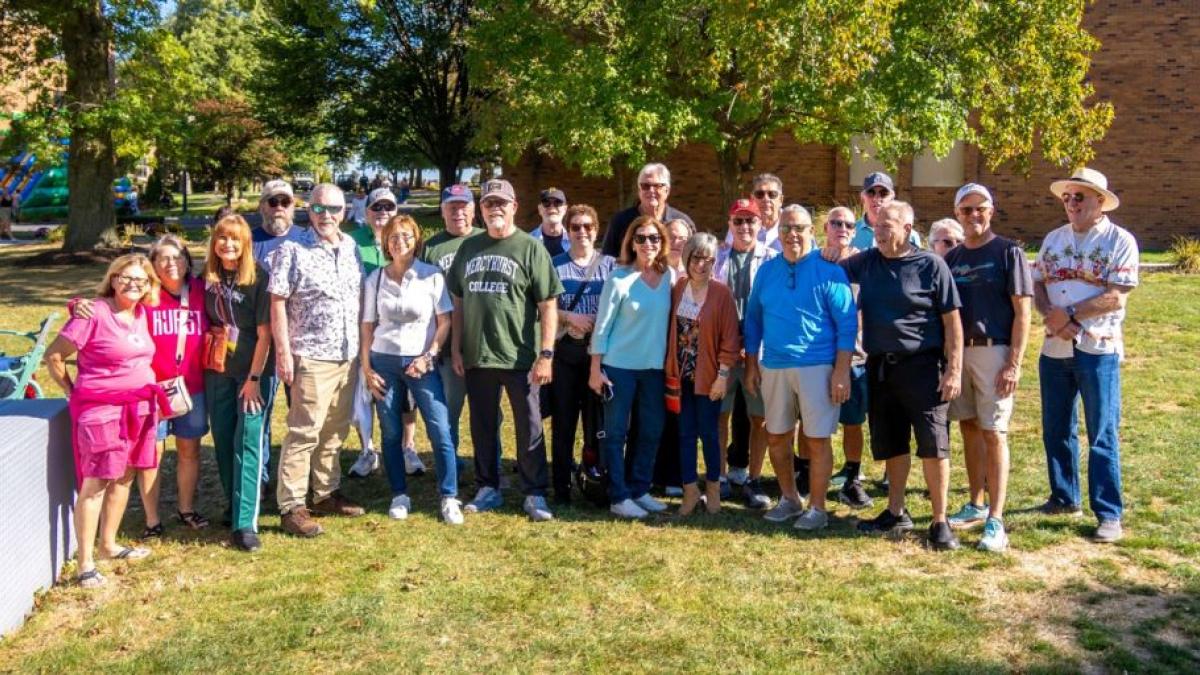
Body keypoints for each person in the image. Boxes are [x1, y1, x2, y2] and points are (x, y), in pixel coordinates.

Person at [68, 235, 210, 537]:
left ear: (188, 261)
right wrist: (77, 304)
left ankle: (186, 509)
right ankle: (152, 520)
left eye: (178, 257)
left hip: (191, 387)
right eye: (163, 259)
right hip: (150, 391)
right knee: (150, 457)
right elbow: (109, 305)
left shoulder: (201, 291)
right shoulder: (147, 296)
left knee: (189, 450)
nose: (172, 264)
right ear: (153, 265)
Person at [842, 201, 964, 551]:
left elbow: (952, 322)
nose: (879, 230)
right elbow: (830, 266)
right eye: (877, 225)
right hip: (881, 368)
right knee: (891, 442)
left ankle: (939, 522)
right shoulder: (867, 262)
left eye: (887, 225)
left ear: (908, 229)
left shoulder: (931, 265)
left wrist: (953, 369)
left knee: (933, 443)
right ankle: (896, 511)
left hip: (923, 368)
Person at [44, 255, 166, 587]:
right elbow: (54, 356)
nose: (133, 285)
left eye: (141, 281)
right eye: (126, 278)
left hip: (139, 409)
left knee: (124, 477)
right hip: (102, 411)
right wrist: (73, 391)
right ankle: (85, 564)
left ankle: (109, 544)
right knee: (96, 482)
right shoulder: (93, 312)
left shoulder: (141, 313)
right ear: (112, 279)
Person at [447, 178, 563, 521]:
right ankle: (488, 487)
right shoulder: (469, 248)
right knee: (482, 425)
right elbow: (457, 302)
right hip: (478, 354)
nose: (494, 208)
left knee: (529, 425)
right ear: (480, 210)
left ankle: (534, 493)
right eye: (488, 203)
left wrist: (546, 354)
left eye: (501, 203)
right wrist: (455, 348)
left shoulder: (530, 248)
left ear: (514, 207)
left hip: (521, 356)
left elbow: (548, 306)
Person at [1033, 167, 1138, 544]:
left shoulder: (1119, 240)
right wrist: (1052, 316)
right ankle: (1064, 497)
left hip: (1098, 348)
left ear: (1099, 201)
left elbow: (1116, 295)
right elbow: (1038, 283)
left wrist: (1072, 315)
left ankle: (1108, 513)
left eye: (1079, 197)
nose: (1072, 204)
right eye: (1067, 198)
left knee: (1101, 433)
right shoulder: (1054, 239)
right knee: (1056, 429)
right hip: (1055, 346)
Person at [746, 206, 857, 530]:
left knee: (817, 438)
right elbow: (753, 322)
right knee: (777, 435)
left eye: (799, 228)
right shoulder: (766, 272)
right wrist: (752, 364)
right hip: (774, 366)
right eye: (785, 229)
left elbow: (846, 325)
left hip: (818, 366)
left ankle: (818, 508)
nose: (792, 235)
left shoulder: (829, 271)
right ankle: (790, 499)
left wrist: (840, 371)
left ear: (812, 231)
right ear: (777, 232)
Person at [269, 183, 365, 537]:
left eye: (334, 209)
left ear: (345, 211)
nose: (327, 216)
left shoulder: (351, 247)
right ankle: (291, 505)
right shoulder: (292, 250)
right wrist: (283, 354)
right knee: (303, 431)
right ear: (308, 211)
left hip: (347, 354)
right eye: (319, 209)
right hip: (310, 355)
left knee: (335, 430)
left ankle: (325, 492)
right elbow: (277, 302)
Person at [942, 183, 1033, 553]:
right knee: (968, 426)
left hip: (994, 352)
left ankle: (996, 519)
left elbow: (1023, 312)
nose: (973, 216)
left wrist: (1014, 363)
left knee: (994, 431)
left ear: (991, 211)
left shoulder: (1008, 252)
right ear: (958, 215)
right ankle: (975, 503)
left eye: (980, 208)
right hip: (960, 353)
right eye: (966, 210)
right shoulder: (953, 258)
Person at [361, 214, 462, 524]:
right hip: (384, 361)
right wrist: (366, 368)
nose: (399, 241)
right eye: (393, 237)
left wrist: (430, 355)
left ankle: (448, 496)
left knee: (439, 427)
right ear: (385, 243)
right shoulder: (374, 279)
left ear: (415, 240)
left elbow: (445, 321)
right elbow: (367, 326)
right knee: (391, 431)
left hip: (422, 363)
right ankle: (399, 494)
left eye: (405, 236)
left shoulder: (431, 275)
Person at [590, 216, 673, 519]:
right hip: (619, 367)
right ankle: (618, 495)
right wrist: (595, 368)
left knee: (651, 430)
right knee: (616, 434)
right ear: (631, 243)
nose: (648, 244)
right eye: (641, 238)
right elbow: (602, 326)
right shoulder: (618, 278)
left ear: (662, 242)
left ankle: (639, 488)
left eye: (654, 238)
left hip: (654, 369)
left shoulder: (670, 277)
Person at [203, 215, 275, 552]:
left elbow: (265, 335)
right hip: (217, 370)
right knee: (222, 440)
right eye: (222, 238)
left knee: (247, 442)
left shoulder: (259, 277)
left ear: (245, 242)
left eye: (234, 239)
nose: (227, 245)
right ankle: (233, 505)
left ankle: (245, 523)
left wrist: (255, 379)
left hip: (252, 374)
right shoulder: (207, 278)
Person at [346, 188, 427, 480]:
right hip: (364, 329)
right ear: (365, 212)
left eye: (388, 207)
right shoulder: (352, 243)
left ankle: (408, 447)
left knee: (405, 397)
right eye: (376, 207)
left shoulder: (407, 242)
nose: (382, 212)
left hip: (401, 335)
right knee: (364, 393)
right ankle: (367, 450)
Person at [664, 232, 739, 515]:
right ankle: (690, 491)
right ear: (687, 259)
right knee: (684, 435)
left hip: (709, 378)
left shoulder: (721, 294)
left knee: (709, 434)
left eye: (708, 260)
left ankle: (713, 489)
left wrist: (722, 376)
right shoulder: (678, 288)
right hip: (679, 378)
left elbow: (730, 341)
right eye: (697, 258)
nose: (702, 265)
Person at [549, 204, 615, 504]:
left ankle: (595, 480)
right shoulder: (554, 264)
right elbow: (542, 308)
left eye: (588, 226)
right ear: (568, 230)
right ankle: (561, 486)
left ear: (596, 229)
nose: (582, 232)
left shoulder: (610, 266)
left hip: (598, 355)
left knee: (596, 424)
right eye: (575, 227)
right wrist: (568, 317)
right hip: (566, 352)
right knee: (563, 422)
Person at [713, 198, 777, 510]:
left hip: (759, 351)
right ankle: (721, 476)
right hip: (723, 352)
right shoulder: (716, 257)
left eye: (750, 221)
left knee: (759, 417)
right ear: (730, 224)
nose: (745, 227)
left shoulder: (772, 259)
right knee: (720, 414)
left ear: (760, 224)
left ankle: (754, 478)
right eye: (738, 221)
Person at [420, 184, 485, 457]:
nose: (458, 212)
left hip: (484, 344)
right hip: (447, 346)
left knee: (488, 414)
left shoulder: (488, 238)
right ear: (443, 211)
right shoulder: (430, 248)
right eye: (452, 207)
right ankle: (451, 468)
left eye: (463, 206)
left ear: (473, 209)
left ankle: (489, 467)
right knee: (449, 410)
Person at [820, 206, 874, 510]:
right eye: (835, 223)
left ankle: (852, 478)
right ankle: (810, 474)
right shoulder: (815, 261)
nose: (841, 227)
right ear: (826, 228)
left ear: (855, 231)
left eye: (848, 224)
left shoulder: (864, 264)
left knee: (853, 422)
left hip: (854, 358)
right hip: (817, 358)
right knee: (813, 424)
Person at [601, 163, 695, 257]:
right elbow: (607, 260)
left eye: (657, 186)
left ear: (667, 190)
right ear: (639, 191)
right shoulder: (620, 222)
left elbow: (693, 258)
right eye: (645, 186)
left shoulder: (683, 223)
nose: (651, 190)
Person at [850, 172, 923, 250]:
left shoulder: (908, 235)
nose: (876, 198)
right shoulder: (849, 232)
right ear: (862, 197)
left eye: (883, 193)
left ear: (892, 198)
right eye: (871, 193)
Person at [724, 173, 785, 252]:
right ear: (752, 198)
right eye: (760, 194)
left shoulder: (792, 223)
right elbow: (727, 253)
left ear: (781, 200)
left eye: (772, 194)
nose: (766, 199)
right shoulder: (740, 223)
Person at [530, 187, 568, 257]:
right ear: (539, 209)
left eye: (558, 202)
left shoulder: (574, 241)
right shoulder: (528, 241)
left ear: (565, 209)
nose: (552, 207)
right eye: (546, 203)